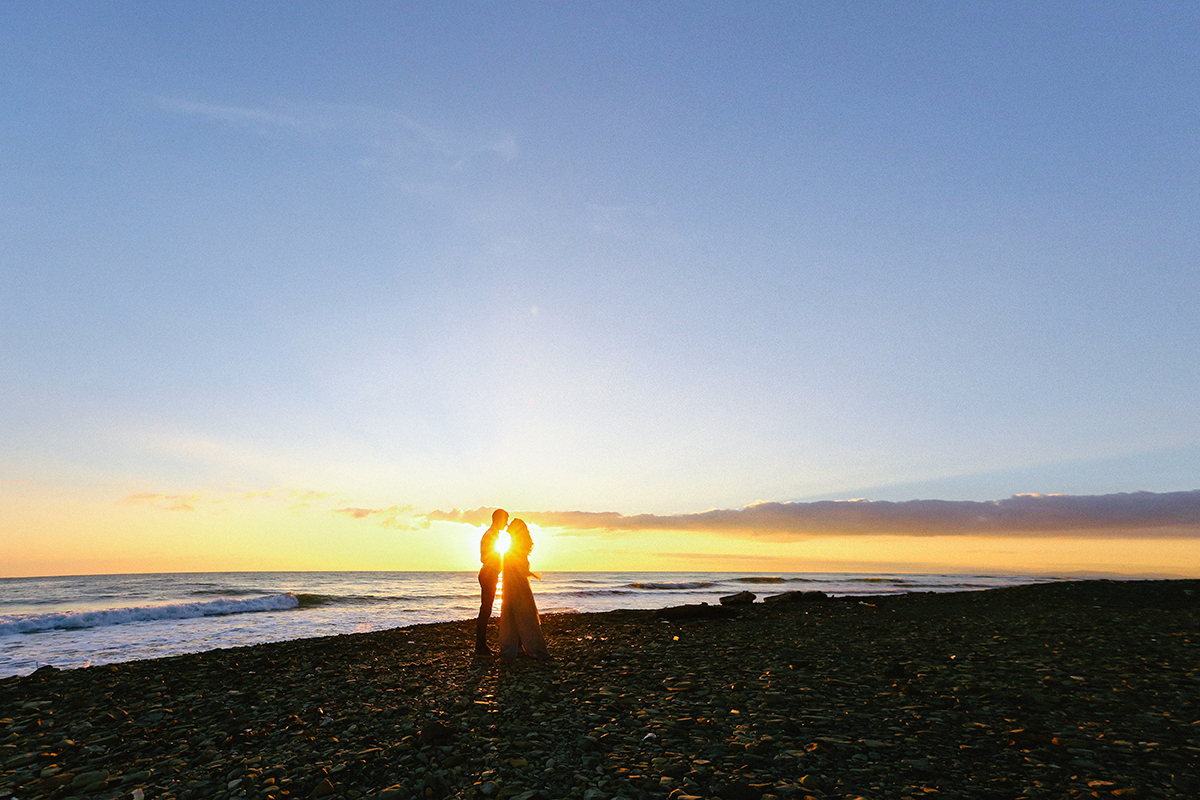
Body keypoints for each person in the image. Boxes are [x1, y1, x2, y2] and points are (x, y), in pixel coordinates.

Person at [498, 518, 549, 659]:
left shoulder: (515, 547)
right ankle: (519, 646)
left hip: (514, 585)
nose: (507, 527)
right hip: (516, 584)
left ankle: (524, 647)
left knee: (518, 615)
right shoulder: (519, 546)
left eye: (511, 526)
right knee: (519, 615)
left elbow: (518, 568)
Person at [475, 508, 507, 655]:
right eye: (505, 520)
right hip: (488, 574)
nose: (506, 524)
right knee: (486, 609)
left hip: (490, 573)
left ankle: (481, 644)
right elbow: (485, 557)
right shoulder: (490, 535)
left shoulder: (493, 534)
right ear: (498, 519)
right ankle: (480, 645)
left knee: (486, 609)